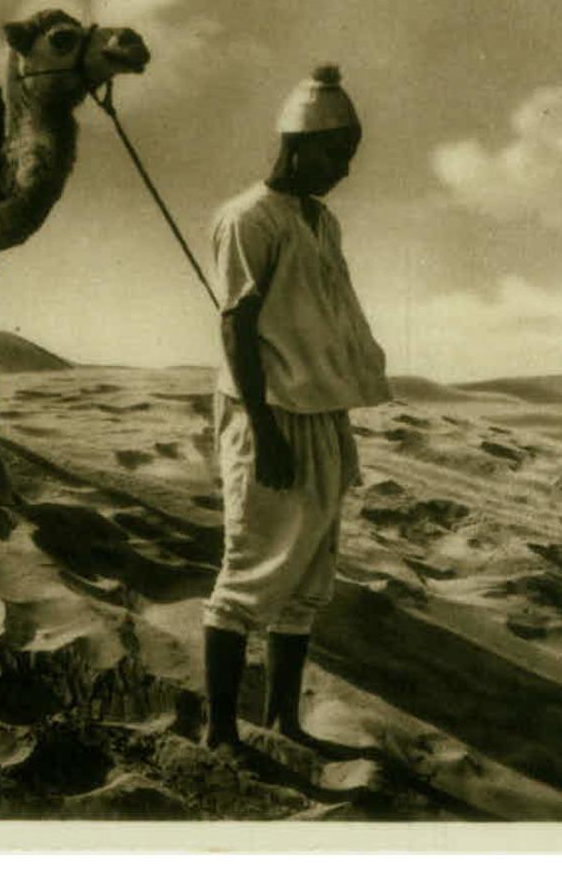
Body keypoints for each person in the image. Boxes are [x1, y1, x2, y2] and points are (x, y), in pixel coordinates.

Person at [203, 64, 390, 752]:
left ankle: (281, 720)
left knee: (308, 578)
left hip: (318, 414)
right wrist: (261, 430)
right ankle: (219, 730)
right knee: (249, 574)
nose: (343, 170)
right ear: (298, 146)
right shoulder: (247, 217)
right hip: (268, 417)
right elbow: (235, 327)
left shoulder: (320, 220)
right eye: (336, 155)